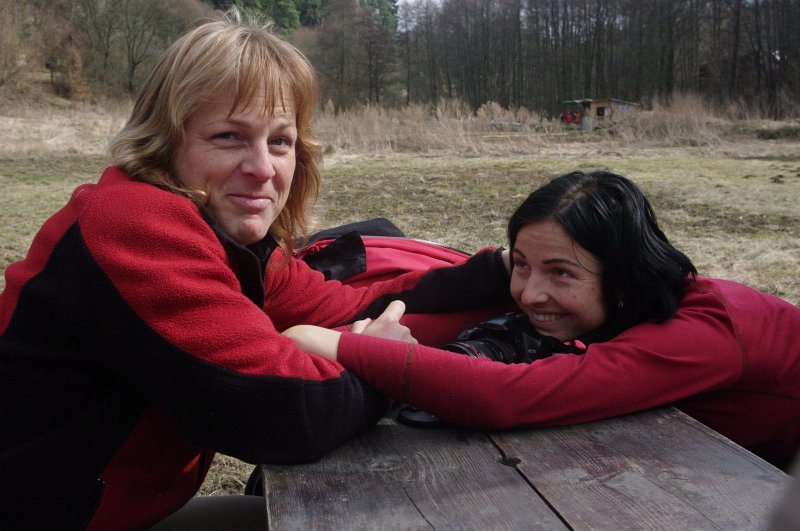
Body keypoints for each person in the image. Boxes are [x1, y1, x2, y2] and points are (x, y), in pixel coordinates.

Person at [0, 8, 511, 530]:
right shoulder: (134, 224)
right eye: (228, 136)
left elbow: (352, 304)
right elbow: (283, 412)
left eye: (280, 141)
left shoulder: (237, 245)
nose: (263, 168)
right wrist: (386, 364)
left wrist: (506, 273)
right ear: (165, 140)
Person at [286, 170, 800, 471]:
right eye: (522, 265)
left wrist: (336, 346)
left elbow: (508, 397)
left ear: (624, 276)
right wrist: (345, 336)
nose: (532, 294)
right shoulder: (601, 303)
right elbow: (453, 325)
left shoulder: (705, 332)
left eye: (561, 273)